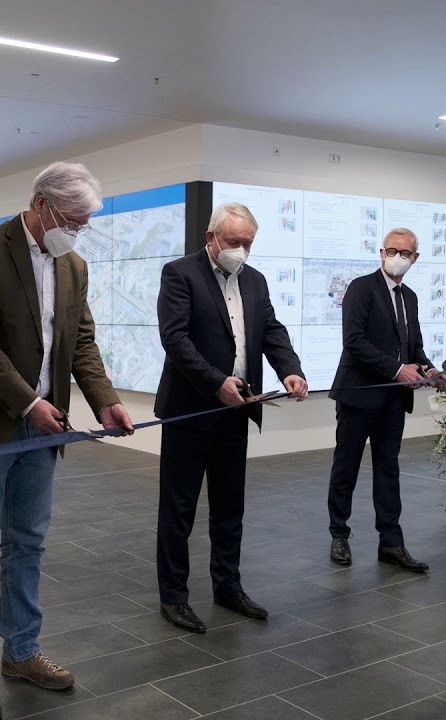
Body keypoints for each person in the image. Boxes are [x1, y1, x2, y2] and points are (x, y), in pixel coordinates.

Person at [0, 161, 134, 720]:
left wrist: (105, 400)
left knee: (28, 541)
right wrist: (29, 402)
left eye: (85, 222)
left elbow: (82, 341)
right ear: (43, 205)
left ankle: (21, 650)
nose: (78, 230)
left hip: (46, 425)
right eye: (73, 218)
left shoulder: (73, 263)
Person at [153, 203, 308, 634]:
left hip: (237, 409)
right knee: (179, 509)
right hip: (191, 408)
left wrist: (290, 369)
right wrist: (215, 382)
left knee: (228, 506)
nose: (241, 250)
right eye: (234, 242)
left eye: (248, 243)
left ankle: (228, 585)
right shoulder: (180, 274)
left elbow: (271, 331)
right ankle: (174, 596)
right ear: (211, 238)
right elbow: (176, 339)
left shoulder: (254, 281)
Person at [326, 228, 446, 573]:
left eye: (405, 253)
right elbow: (354, 341)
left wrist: (430, 370)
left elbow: (414, 348)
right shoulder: (361, 288)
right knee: (346, 466)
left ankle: (391, 543)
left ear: (415, 258)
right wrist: (398, 370)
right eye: (391, 250)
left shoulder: (410, 297)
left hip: (393, 401)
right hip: (358, 395)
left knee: (388, 469)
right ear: (381, 252)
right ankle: (339, 534)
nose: (397, 257)